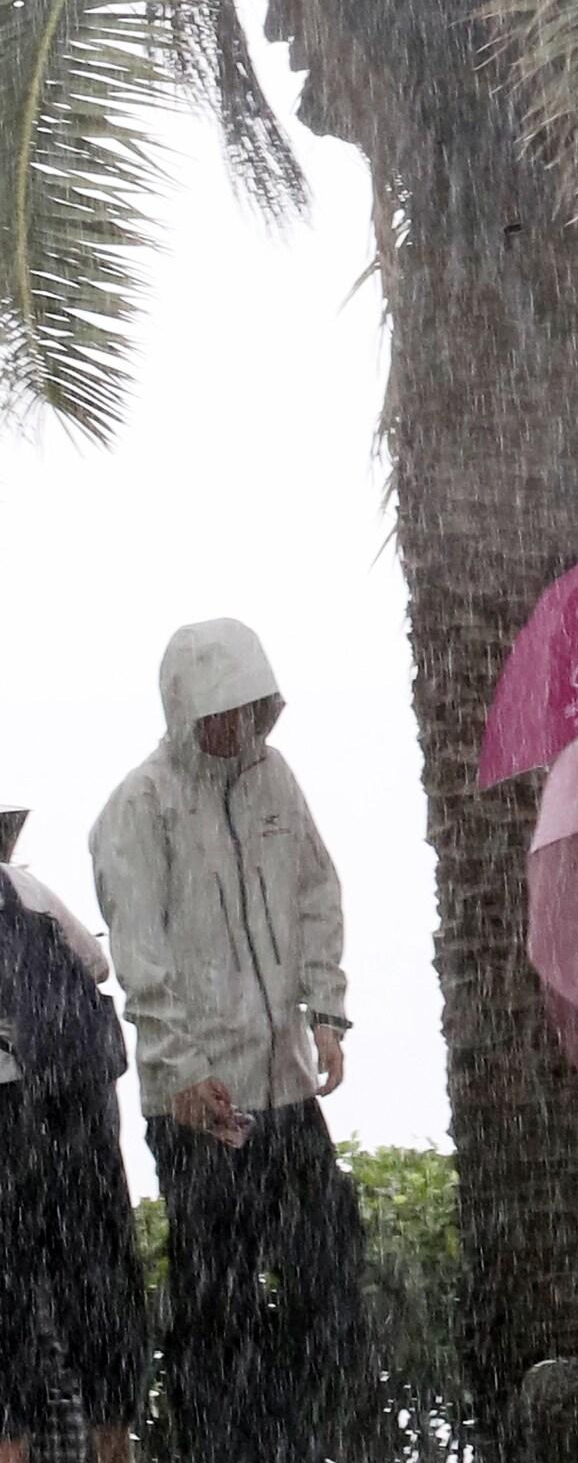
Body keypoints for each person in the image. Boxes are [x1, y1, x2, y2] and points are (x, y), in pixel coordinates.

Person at [90, 619, 367, 1463]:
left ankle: (333, 1444)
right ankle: (228, 1450)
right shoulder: (138, 807)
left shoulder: (275, 779)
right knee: (218, 1307)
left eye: (251, 707)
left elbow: (318, 888)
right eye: (221, 709)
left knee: (329, 1273)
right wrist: (182, 1072)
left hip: (281, 1089)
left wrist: (327, 1008)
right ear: (183, 708)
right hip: (197, 1108)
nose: (236, 725)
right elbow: (140, 959)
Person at [0, 810, 147, 1463]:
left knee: (10, 1292)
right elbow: (96, 964)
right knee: (99, 1275)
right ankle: (113, 1443)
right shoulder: (23, 890)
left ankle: (11, 1443)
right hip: (69, 1107)